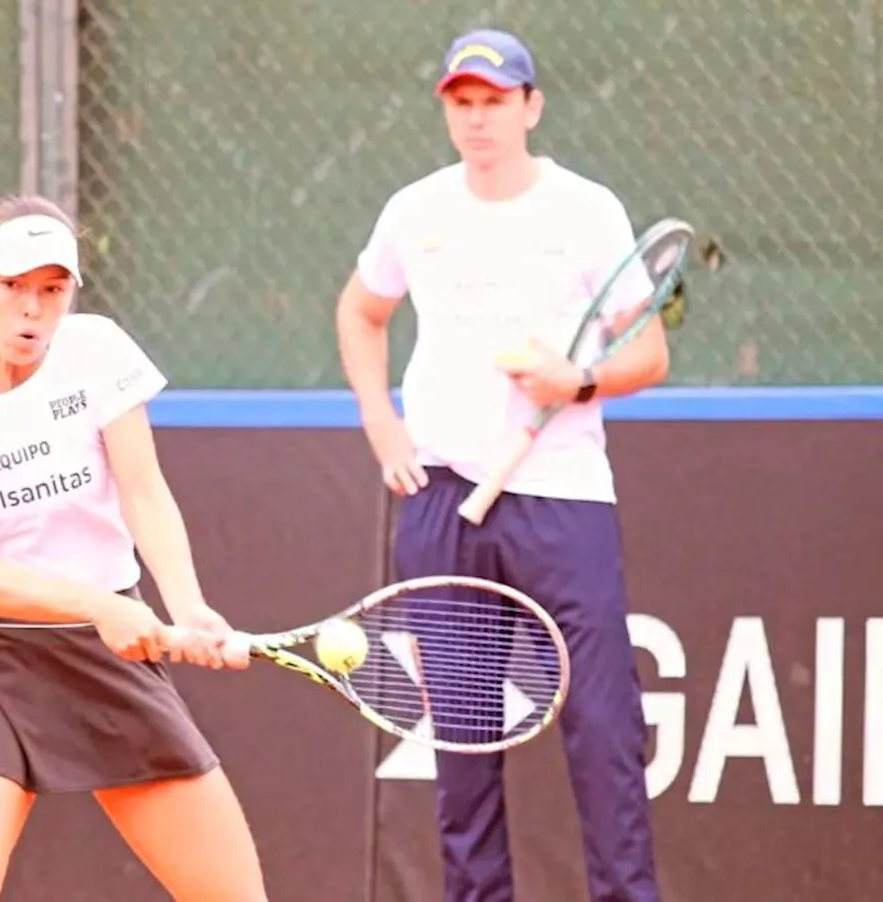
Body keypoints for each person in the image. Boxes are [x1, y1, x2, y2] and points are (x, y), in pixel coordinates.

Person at [334, 27, 665, 902]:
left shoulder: (586, 209)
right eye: (463, 104)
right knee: (466, 746)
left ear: (531, 108)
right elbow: (361, 312)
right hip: (442, 499)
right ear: (449, 111)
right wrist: (380, 422)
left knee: (602, 729)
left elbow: (651, 351)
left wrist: (577, 379)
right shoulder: (415, 211)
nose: (478, 121)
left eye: (495, 103)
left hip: (562, 501)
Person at [0, 193, 269, 902]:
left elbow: (143, 490)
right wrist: (93, 604)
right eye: (12, 286)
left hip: (109, 660)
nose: (32, 309)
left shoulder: (96, 351)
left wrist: (190, 606)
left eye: (51, 290)